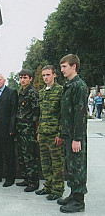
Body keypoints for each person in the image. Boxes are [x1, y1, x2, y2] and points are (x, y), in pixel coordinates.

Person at [58, 54, 88, 213]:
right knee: (70, 166)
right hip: (69, 134)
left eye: (64, 66)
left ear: (73, 66)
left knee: (77, 167)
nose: (62, 69)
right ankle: (73, 194)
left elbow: (80, 114)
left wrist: (77, 138)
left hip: (76, 135)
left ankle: (79, 201)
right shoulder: (69, 85)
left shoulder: (79, 86)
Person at [35, 65, 64, 201]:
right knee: (45, 163)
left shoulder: (60, 91)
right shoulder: (42, 92)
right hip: (44, 133)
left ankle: (57, 189)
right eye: (44, 75)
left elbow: (62, 114)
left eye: (48, 75)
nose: (46, 78)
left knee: (57, 163)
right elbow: (41, 114)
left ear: (54, 75)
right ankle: (48, 186)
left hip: (54, 134)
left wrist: (60, 133)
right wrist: (39, 131)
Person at [15, 69, 40, 192]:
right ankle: (26, 178)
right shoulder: (21, 92)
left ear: (30, 79)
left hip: (29, 130)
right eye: (21, 77)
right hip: (20, 129)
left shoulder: (32, 93)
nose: (22, 80)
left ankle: (33, 182)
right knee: (22, 156)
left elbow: (36, 113)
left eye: (25, 77)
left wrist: (36, 130)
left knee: (30, 156)